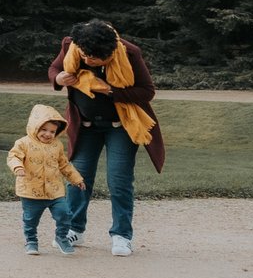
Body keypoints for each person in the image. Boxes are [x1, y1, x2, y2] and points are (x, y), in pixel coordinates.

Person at [48, 20, 167, 255]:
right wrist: (59, 79)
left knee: (119, 181)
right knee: (78, 179)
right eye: (85, 55)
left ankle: (122, 235)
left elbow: (147, 91)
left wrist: (111, 90)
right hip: (86, 126)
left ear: (111, 52)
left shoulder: (130, 53)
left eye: (95, 58)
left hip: (121, 126)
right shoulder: (71, 46)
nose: (89, 60)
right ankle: (74, 229)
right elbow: (54, 69)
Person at [7, 104, 84, 255]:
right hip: (30, 191)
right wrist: (18, 167)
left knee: (64, 213)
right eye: (44, 130)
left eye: (52, 131)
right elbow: (13, 156)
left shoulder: (57, 145)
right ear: (34, 127)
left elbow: (64, 165)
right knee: (31, 219)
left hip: (54, 191)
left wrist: (76, 179)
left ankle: (62, 237)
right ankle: (31, 241)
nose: (48, 134)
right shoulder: (23, 143)